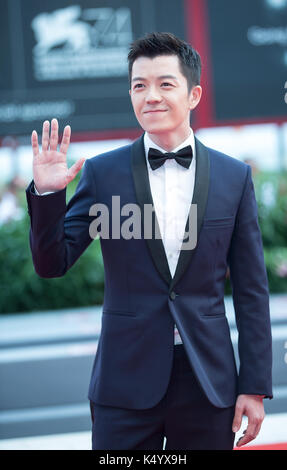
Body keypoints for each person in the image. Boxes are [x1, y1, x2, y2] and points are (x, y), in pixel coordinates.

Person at [26, 32, 272, 450]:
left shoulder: (235, 177)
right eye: (139, 85)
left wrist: (254, 386)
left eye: (165, 84)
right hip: (124, 386)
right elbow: (53, 263)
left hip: (208, 384)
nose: (151, 96)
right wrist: (49, 195)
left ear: (194, 94)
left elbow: (251, 291)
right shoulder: (103, 174)